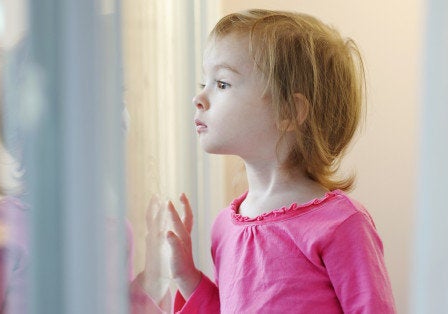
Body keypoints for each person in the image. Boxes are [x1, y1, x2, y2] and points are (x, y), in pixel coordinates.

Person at [156, 9, 397, 313]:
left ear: (289, 112)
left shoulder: (342, 224)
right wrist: (187, 277)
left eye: (222, 84)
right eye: (203, 82)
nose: (199, 98)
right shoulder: (224, 227)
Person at [0, 40, 170, 314]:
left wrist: (155, 278)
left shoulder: (116, 232)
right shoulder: (0, 229)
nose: (121, 116)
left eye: (120, 97)